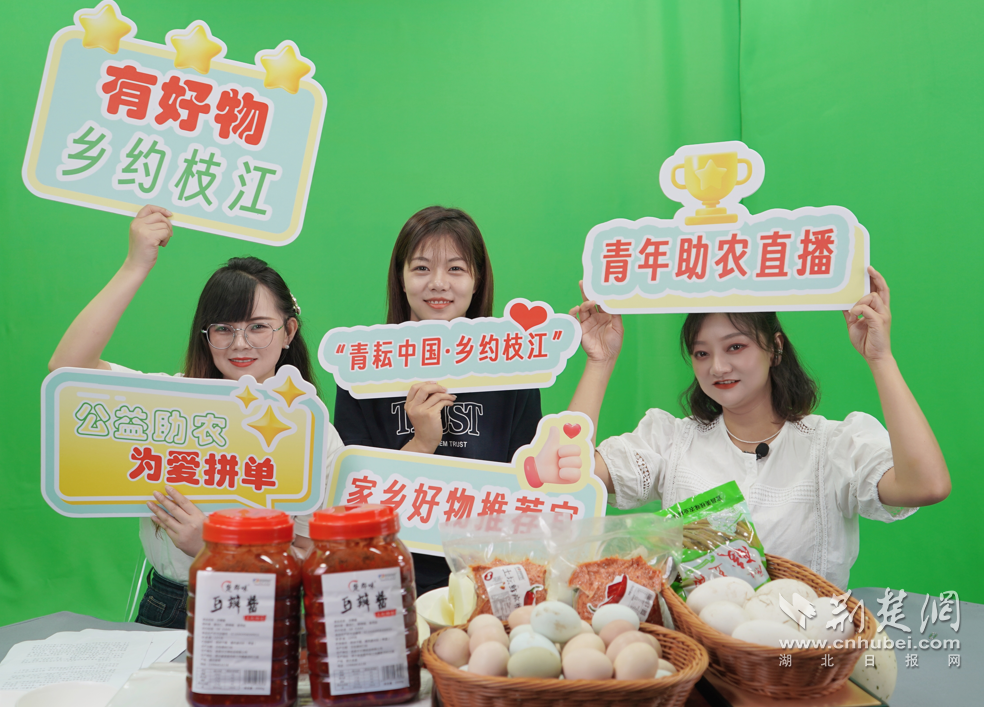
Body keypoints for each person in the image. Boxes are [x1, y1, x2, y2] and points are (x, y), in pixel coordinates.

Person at [49, 205, 342, 628]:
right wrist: (135, 265)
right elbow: (67, 368)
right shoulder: (171, 404)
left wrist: (215, 545)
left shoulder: (314, 434)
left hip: (262, 606)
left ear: (289, 332)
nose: (240, 343)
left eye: (258, 327)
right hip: (169, 601)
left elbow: (311, 555)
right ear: (206, 336)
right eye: (223, 329)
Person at [567, 267, 950, 590]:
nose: (717, 367)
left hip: (804, 647)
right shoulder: (669, 441)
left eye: (735, 347)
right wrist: (600, 361)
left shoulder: (832, 446)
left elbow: (926, 486)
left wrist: (880, 358)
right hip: (694, 649)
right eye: (701, 353)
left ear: (775, 348)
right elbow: (570, 477)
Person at [333, 206, 542, 594]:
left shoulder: (514, 370)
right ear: (401, 279)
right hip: (390, 574)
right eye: (422, 268)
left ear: (477, 281)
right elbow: (353, 503)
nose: (439, 283)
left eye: (456, 269)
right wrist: (421, 443)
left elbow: (529, 488)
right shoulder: (361, 371)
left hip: (487, 574)